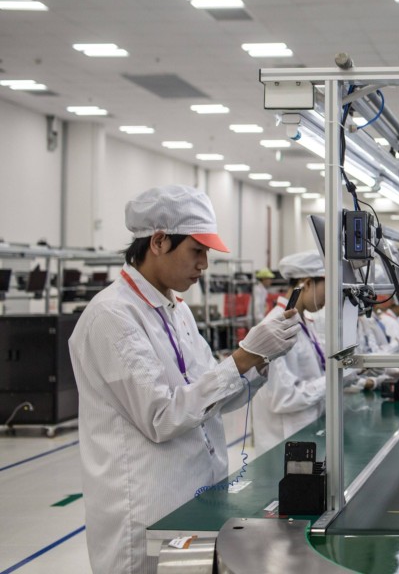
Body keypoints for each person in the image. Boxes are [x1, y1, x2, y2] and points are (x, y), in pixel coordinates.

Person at [68, 185, 300, 574]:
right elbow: (163, 416)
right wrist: (243, 356)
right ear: (159, 241)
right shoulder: (112, 317)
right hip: (145, 516)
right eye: (197, 250)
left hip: (196, 503)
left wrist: (258, 361)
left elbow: (210, 393)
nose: (204, 264)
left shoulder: (176, 309)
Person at [252, 250, 330, 457]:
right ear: (307, 283)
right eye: (327, 288)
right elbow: (283, 398)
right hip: (282, 445)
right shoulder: (276, 327)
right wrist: (332, 381)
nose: (329, 299)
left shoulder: (305, 321)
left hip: (307, 434)